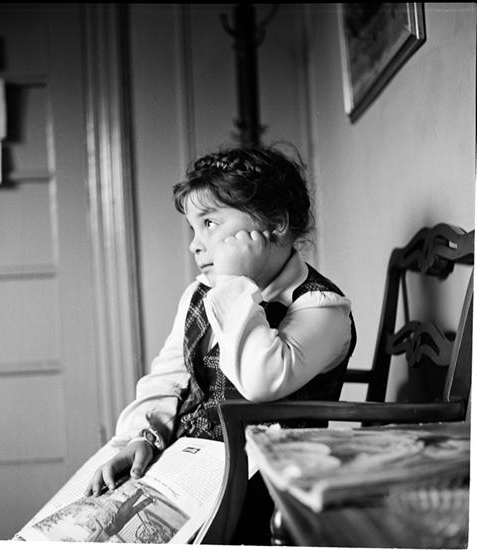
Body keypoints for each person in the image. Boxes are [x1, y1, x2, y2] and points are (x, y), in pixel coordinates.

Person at [85, 144, 356, 542]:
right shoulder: (201, 294)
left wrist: (234, 284)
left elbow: (261, 382)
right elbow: (169, 376)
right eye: (192, 229)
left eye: (209, 223)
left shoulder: (321, 307)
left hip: (266, 488)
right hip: (188, 468)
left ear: (276, 223)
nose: (195, 244)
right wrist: (143, 435)